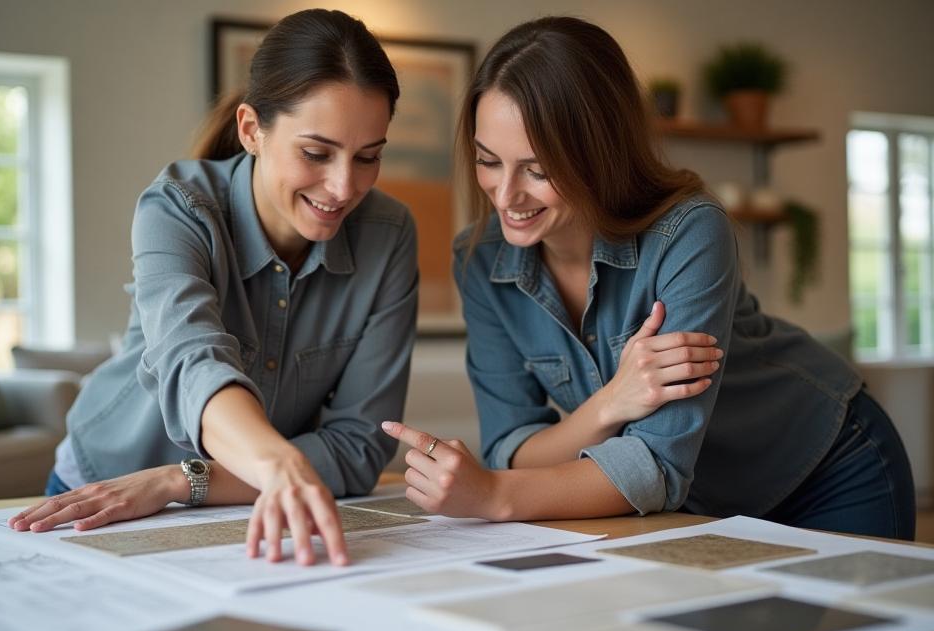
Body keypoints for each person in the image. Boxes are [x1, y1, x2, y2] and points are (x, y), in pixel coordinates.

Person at [383, 16, 915, 540]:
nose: (505, 195)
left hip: (828, 468)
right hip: (703, 507)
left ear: (600, 155)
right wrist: (609, 404)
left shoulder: (688, 232)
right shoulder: (481, 261)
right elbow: (511, 446)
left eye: (539, 170)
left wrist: (496, 495)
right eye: (488, 161)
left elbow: (656, 465)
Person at [9, 9, 419, 565]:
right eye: (316, 153)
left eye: (368, 156)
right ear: (252, 129)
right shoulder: (177, 206)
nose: (345, 186)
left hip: (241, 500)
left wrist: (185, 480)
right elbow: (191, 360)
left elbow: (358, 447)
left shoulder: (389, 235)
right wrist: (280, 464)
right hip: (104, 491)